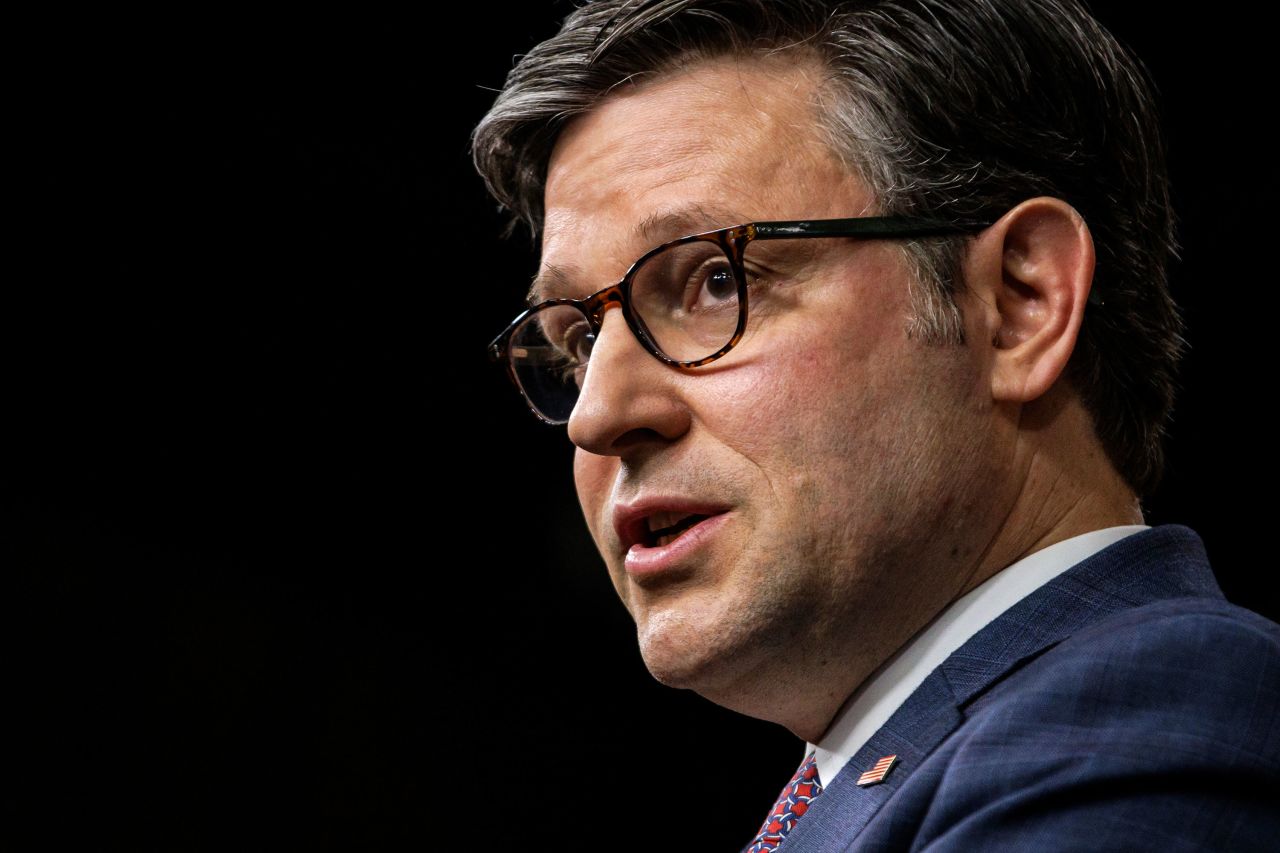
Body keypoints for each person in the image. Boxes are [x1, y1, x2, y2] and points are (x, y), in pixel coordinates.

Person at [476, 1, 1280, 849]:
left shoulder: (1149, 723)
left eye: (715, 280)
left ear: (1019, 303)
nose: (598, 415)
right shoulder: (912, 762)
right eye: (578, 339)